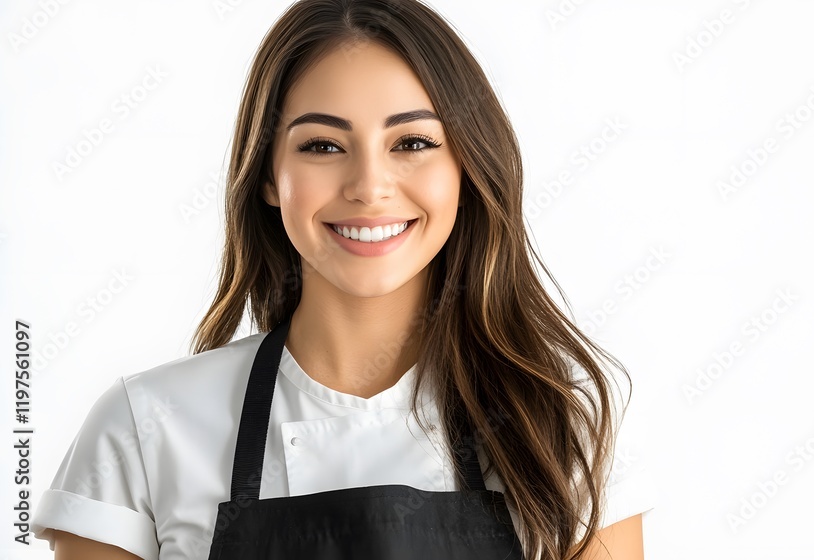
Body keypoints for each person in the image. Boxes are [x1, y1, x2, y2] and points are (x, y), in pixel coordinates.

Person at [30, 0, 655, 558]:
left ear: (466, 168)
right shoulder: (145, 428)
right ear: (270, 177)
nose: (369, 186)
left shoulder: (559, 422)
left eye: (411, 141)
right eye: (324, 146)